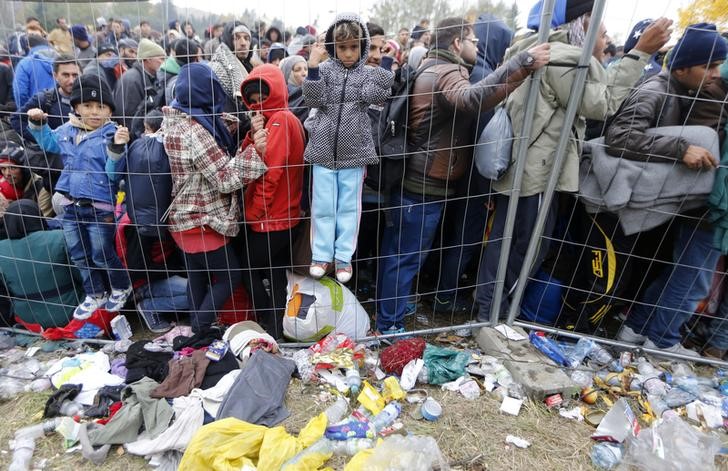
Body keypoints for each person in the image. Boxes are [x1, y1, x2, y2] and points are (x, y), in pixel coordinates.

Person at [476, 4, 672, 323]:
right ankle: (492, 315)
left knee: (512, 243)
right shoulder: (563, 57)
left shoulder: (542, 49)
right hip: (537, 170)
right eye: (602, 31)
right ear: (582, 26)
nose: (606, 39)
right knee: (524, 248)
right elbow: (601, 104)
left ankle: (491, 309)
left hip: (530, 165)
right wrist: (638, 54)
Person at [374, 17, 549, 335]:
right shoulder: (446, 71)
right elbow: (470, 99)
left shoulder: (433, 65)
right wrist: (521, 65)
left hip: (420, 179)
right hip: (424, 184)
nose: (477, 46)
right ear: (456, 43)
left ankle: (390, 315)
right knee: (405, 258)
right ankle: (390, 326)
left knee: (400, 255)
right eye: (473, 41)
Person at [608, 23, 727, 356]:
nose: (716, 74)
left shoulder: (683, 90)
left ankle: (637, 329)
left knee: (677, 272)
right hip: (622, 198)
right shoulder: (657, 89)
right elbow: (621, 137)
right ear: (683, 67)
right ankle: (658, 339)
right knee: (689, 276)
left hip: (642, 197)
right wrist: (680, 149)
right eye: (710, 67)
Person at [162, 62, 266, 333]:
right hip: (202, 218)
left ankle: (195, 330)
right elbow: (225, 178)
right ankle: (199, 330)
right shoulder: (195, 131)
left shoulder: (175, 120)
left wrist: (230, 127)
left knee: (197, 278)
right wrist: (257, 151)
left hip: (180, 218)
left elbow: (211, 136)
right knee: (230, 276)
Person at [26, 75, 132, 319]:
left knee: (101, 252)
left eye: (101, 107)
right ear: (76, 107)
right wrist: (37, 124)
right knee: (78, 253)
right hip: (71, 204)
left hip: (100, 204)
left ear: (109, 110)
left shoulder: (112, 134)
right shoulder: (66, 130)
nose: (95, 112)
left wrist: (117, 148)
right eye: (88, 106)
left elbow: (114, 174)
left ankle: (120, 285)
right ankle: (95, 292)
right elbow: (49, 143)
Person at [303, 13, 395, 283]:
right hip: (322, 149)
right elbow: (313, 98)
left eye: (354, 47)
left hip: (354, 152)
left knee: (348, 207)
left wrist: (386, 62)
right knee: (322, 205)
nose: (348, 53)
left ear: (362, 46)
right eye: (342, 47)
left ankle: (343, 257)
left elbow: (376, 95)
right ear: (333, 46)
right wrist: (312, 66)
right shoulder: (326, 71)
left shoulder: (366, 75)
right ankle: (321, 254)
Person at [433, 13, 514, 315]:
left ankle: (440, 288)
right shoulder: (483, 76)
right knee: (465, 235)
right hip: (475, 177)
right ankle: (445, 295)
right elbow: (486, 137)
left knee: (454, 232)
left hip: (459, 169)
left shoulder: (471, 70)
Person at [239, 64, 305, 338]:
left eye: (261, 99)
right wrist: (251, 136)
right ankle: (276, 328)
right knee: (275, 272)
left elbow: (271, 173)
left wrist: (253, 213)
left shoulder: (279, 120)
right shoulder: (277, 120)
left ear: (275, 92)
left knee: (247, 267)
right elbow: (253, 158)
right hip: (282, 217)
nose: (257, 105)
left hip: (271, 219)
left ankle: (268, 321)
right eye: (252, 101)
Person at [0, 200, 82, 328]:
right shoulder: (60, 237)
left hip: (28, 319)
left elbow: (5, 290)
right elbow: (82, 276)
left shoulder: (2, 248)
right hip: (70, 313)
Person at [12, 54, 79, 141]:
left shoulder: (88, 99)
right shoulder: (45, 99)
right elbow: (16, 120)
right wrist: (43, 139)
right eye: (66, 75)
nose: (71, 80)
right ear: (55, 76)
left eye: (75, 75)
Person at [113, 38, 166, 135]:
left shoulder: (151, 77)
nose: (164, 63)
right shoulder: (131, 80)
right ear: (148, 59)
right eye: (161, 58)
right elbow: (127, 118)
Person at [0, 143, 53, 218]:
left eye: (12, 168)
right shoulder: (3, 185)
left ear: (24, 169)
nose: (7, 173)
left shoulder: (41, 187)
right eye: (3, 169)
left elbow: (42, 220)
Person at [12, 35, 57, 109]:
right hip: (62, 112)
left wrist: (25, 111)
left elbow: (20, 93)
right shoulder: (63, 60)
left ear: (29, 47)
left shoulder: (25, 63)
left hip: (35, 114)